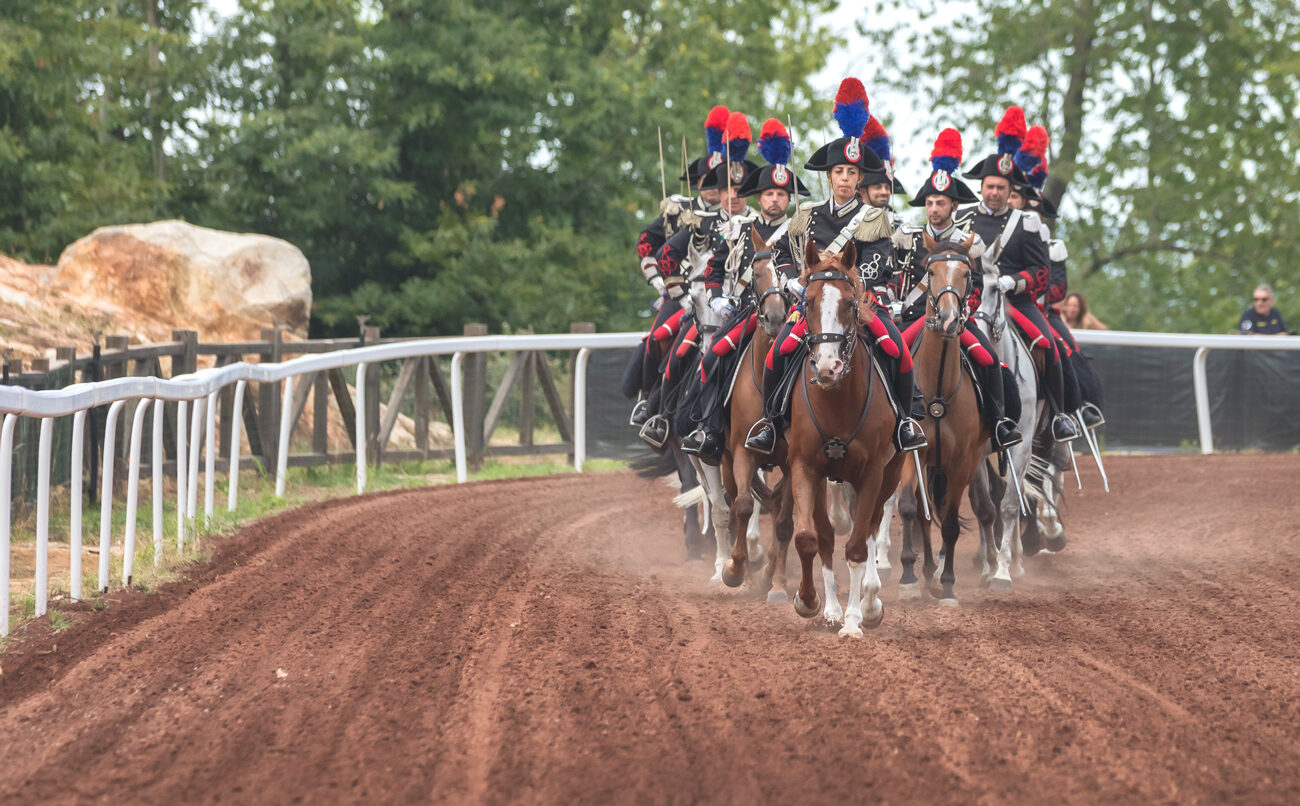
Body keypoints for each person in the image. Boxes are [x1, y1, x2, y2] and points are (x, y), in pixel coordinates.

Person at [745, 78, 927, 455]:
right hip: (809, 304)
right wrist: (794, 283)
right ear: (829, 177)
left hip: (858, 304)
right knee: (778, 352)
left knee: (898, 350)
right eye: (838, 172)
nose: (844, 179)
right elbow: (784, 255)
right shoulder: (807, 215)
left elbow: (880, 262)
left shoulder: (873, 217)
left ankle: (906, 420)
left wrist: (854, 287)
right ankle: (771, 421)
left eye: (851, 173)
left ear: (861, 179)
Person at [679, 118, 810, 463]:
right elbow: (714, 266)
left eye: (782, 194)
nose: (775, 199)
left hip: (795, 315)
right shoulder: (739, 228)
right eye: (769, 193)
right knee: (713, 357)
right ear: (760, 196)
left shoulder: (801, 231)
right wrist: (716, 296)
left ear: (788, 198)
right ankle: (709, 428)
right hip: (752, 312)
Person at [892, 127, 1023, 450]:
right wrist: (894, 300)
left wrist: (964, 310)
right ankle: (894, 422)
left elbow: (980, 282)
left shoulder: (971, 242)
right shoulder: (906, 237)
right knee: (890, 357)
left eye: (941, 203)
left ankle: (998, 423)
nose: (934, 209)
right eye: (930, 202)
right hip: (913, 318)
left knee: (990, 361)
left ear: (954, 206)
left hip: (956, 320)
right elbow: (894, 275)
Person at [957, 106, 1080, 443]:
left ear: (1011, 189)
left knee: (1050, 345)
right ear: (981, 186)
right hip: (970, 299)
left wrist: (1015, 281)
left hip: (1016, 301)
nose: (995, 192)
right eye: (990, 186)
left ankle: (1058, 414)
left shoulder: (1027, 223)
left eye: (1001, 187)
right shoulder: (963, 219)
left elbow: (1041, 271)